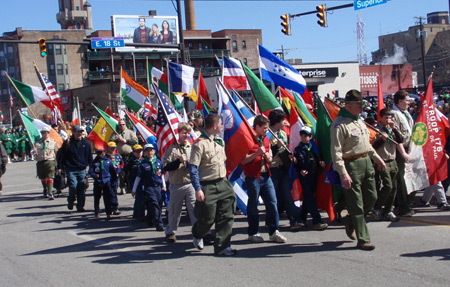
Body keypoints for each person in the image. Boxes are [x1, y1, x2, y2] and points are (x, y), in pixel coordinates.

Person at [330, 89, 386, 251]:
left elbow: (367, 146)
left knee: (372, 197)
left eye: (361, 105)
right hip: (351, 165)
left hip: (366, 162)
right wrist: (343, 173)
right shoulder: (339, 124)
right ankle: (363, 239)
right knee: (356, 204)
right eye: (357, 105)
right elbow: (336, 152)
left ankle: (350, 221)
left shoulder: (359, 121)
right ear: (347, 105)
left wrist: (377, 158)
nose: (361, 108)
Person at [188, 113, 237, 256]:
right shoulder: (199, 144)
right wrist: (197, 189)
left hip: (223, 183)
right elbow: (193, 168)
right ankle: (197, 233)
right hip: (207, 185)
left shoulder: (219, 141)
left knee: (226, 215)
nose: (222, 126)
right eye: (221, 123)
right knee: (207, 218)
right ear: (215, 126)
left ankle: (222, 246)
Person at [241, 115, 287, 243]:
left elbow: (270, 158)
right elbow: (243, 160)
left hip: (266, 175)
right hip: (253, 177)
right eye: (265, 128)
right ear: (257, 127)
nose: (267, 130)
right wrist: (257, 154)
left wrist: (268, 157)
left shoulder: (266, 139)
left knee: (272, 203)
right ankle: (253, 232)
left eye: (267, 128)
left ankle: (274, 231)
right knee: (253, 205)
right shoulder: (248, 140)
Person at [268, 109, 305, 231]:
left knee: (287, 195)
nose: (284, 122)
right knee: (272, 197)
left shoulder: (282, 133)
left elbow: (285, 149)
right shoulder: (268, 134)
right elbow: (266, 153)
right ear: (277, 121)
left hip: (283, 168)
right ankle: (271, 222)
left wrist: (290, 156)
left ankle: (295, 221)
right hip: (272, 169)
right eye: (282, 120)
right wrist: (275, 147)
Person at [163, 122, 196, 243]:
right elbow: (166, 167)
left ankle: (198, 232)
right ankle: (171, 232)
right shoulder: (172, 149)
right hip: (176, 184)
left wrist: (190, 164)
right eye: (184, 133)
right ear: (179, 133)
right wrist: (178, 161)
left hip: (190, 183)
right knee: (174, 210)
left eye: (188, 133)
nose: (186, 135)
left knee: (194, 209)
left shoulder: (193, 147)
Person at [293, 126, 328, 230]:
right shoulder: (298, 149)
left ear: (310, 136)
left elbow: (318, 158)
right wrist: (300, 170)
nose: (304, 138)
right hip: (304, 176)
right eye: (302, 136)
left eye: (306, 136)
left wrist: (321, 163)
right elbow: (296, 164)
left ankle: (301, 218)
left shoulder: (314, 147)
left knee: (309, 197)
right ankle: (317, 220)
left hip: (314, 174)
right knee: (309, 197)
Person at [371, 109, 402, 222]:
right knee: (387, 185)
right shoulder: (376, 129)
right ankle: (377, 207)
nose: (388, 120)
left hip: (392, 159)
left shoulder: (392, 128)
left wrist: (394, 129)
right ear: (381, 118)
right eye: (386, 118)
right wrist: (382, 140)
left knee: (393, 187)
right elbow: (372, 147)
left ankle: (388, 210)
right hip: (382, 160)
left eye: (390, 118)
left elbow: (400, 140)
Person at [57, 125, 93, 212]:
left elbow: (89, 157)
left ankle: (80, 206)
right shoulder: (68, 143)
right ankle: (71, 200)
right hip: (71, 169)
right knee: (73, 186)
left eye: (81, 132)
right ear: (74, 132)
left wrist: (92, 167)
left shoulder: (86, 144)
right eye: (78, 132)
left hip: (81, 169)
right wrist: (60, 167)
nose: (80, 133)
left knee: (81, 188)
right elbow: (61, 156)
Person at [391, 90, 415, 217]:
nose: (409, 103)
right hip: (400, 150)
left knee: (412, 177)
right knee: (401, 179)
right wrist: (403, 153)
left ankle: (406, 202)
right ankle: (402, 206)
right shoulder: (394, 114)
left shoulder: (405, 113)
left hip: (409, 147)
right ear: (399, 101)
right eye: (407, 100)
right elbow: (396, 136)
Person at [132, 144, 166, 231]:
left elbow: (161, 175)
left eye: (151, 150)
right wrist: (134, 189)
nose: (150, 152)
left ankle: (150, 219)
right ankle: (159, 223)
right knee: (154, 204)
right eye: (147, 151)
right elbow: (138, 177)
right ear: (145, 152)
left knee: (158, 204)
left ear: (154, 151)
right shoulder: (143, 164)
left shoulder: (158, 162)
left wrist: (164, 185)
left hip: (158, 186)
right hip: (149, 187)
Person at [109, 119, 138, 194]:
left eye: (123, 124)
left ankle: (129, 187)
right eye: (120, 125)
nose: (121, 126)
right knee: (121, 172)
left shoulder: (130, 132)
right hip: (119, 156)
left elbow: (135, 141)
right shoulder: (115, 133)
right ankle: (122, 186)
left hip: (129, 155)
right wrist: (117, 139)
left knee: (129, 171)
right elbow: (110, 142)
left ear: (125, 125)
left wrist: (125, 141)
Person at [89, 146, 117, 219]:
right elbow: (90, 171)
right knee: (97, 197)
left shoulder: (108, 161)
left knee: (107, 198)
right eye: (98, 152)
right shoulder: (95, 162)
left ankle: (108, 213)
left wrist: (113, 181)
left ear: (104, 152)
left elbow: (112, 172)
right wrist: (94, 175)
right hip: (98, 181)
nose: (99, 154)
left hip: (106, 181)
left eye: (101, 152)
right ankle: (97, 212)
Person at [34, 127, 59, 200]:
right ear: (41, 134)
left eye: (47, 133)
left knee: (50, 177)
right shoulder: (37, 143)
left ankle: (50, 192)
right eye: (44, 133)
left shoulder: (53, 142)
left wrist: (57, 163)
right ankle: (45, 189)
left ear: (49, 133)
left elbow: (56, 152)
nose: (45, 134)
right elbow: (33, 153)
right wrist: (34, 151)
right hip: (40, 161)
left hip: (50, 161)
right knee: (42, 177)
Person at [124, 144, 145, 220]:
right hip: (135, 182)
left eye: (140, 151)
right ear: (133, 153)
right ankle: (139, 215)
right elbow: (126, 171)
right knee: (139, 198)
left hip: (144, 181)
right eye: (137, 152)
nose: (139, 153)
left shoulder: (144, 160)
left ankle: (137, 214)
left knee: (142, 198)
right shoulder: (131, 162)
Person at [106, 141, 123, 215]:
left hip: (116, 177)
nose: (113, 149)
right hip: (108, 177)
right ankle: (113, 207)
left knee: (114, 191)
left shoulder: (118, 155)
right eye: (111, 148)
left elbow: (122, 163)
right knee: (110, 192)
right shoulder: (106, 157)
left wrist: (120, 170)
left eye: (114, 148)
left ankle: (114, 207)